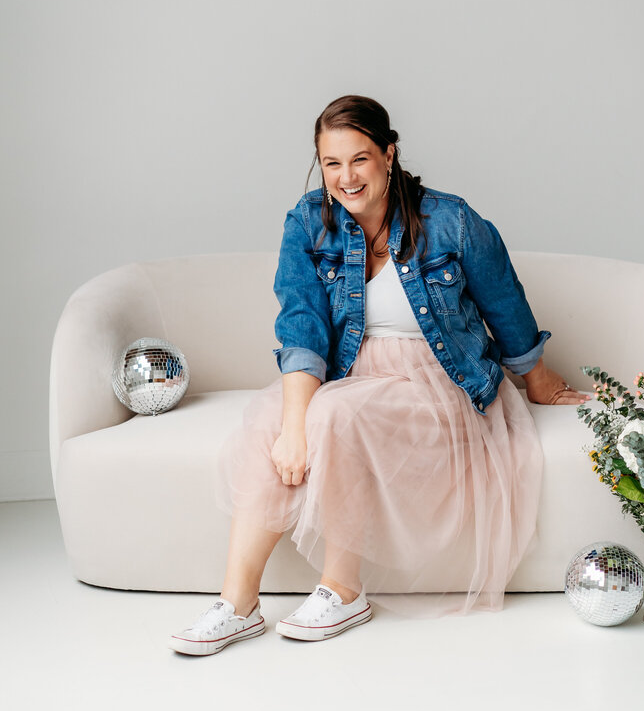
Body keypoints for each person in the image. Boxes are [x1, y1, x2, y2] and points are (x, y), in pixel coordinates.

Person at [169, 95, 589, 655]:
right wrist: (293, 428)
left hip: (438, 381)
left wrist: (537, 377)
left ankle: (343, 591)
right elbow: (301, 326)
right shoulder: (307, 222)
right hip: (348, 370)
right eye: (332, 163)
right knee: (275, 421)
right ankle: (237, 603)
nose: (346, 177)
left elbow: (505, 302)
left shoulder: (451, 220)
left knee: (336, 415)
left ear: (389, 155)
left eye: (359, 159)